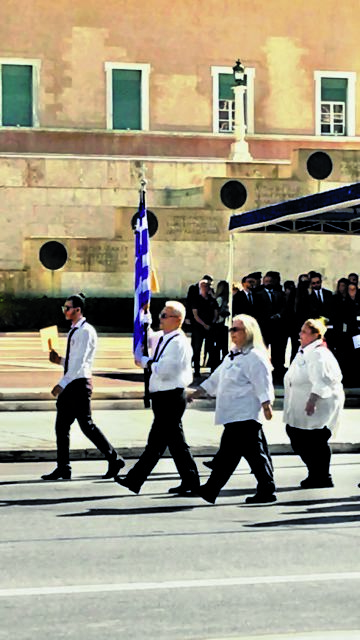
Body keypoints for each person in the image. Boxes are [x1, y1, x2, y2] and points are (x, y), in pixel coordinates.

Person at [115, 301, 200, 496]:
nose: (161, 318)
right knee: (176, 443)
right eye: (161, 314)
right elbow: (149, 338)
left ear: (177, 320)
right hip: (162, 397)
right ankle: (190, 480)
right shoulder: (165, 337)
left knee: (156, 443)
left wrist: (145, 362)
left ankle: (135, 479)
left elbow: (165, 370)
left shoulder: (179, 343)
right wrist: (145, 317)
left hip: (171, 396)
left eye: (164, 316)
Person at [191, 314, 276, 504]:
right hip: (232, 413)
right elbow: (216, 377)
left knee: (240, 455)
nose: (232, 333)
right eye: (231, 329)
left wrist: (266, 404)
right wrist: (198, 392)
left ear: (249, 332)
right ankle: (263, 487)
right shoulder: (233, 354)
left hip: (245, 413)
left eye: (236, 329)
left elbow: (262, 382)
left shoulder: (255, 356)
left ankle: (213, 489)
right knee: (245, 454)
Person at [41, 293, 125, 481]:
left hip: (78, 385)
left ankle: (114, 458)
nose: (65, 310)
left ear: (78, 310)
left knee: (86, 425)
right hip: (73, 382)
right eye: (64, 307)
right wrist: (59, 360)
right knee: (62, 426)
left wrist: (61, 384)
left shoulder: (86, 331)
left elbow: (79, 364)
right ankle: (64, 467)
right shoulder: (75, 330)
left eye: (68, 308)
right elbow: (74, 361)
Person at [283, 317, 344, 489]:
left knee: (316, 439)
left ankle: (323, 476)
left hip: (320, 404)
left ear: (316, 335)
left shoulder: (318, 354)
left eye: (304, 332)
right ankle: (316, 473)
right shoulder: (305, 351)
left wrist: (312, 400)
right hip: (302, 403)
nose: (300, 334)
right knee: (298, 435)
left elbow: (321, 380)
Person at [190, 279, 218, 377]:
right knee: (197, 349)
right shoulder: (196, 299)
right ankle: (196, 370)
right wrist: (204, 324)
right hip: (198, 328)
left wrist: (212, 322)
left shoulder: (212, 300)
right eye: (204, 286)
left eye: (208, 286)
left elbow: (215, 312)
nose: (206, 288)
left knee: (211, 349)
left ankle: (212, 370)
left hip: (210, 327)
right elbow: (195, 315)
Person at [212, 280, 230, 370]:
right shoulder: (220, 299)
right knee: (219, 346)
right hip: (220, 324)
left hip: (224, 325)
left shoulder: (227, 299)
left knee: (224, 346)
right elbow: (216, 311)